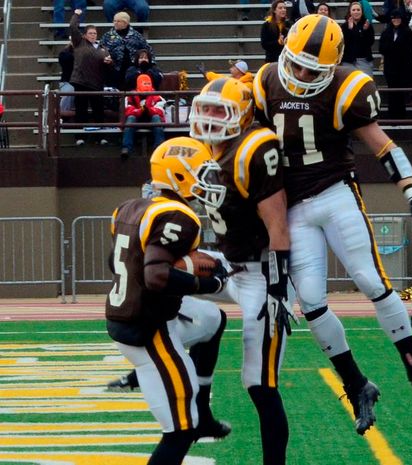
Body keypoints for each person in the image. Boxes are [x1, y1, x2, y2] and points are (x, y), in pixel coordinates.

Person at [253, 14, 412, 434]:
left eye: (313, 69)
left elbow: (382, 144)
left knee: (371, 280)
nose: (302, 75)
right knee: (312, 300)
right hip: (295, 208)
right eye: (298, 64)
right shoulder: (265, 80)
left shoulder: (347, 87)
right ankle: (357, 384)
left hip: (336, 193)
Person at [105, 137, 228, 464]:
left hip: (131, 313)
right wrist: (207, 282)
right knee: (179, 431)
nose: (208, 181)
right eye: (202, 173)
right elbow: (156, 277)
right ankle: (193, 418)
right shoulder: (179, 217)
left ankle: (203, 415)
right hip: (148, 329)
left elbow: (114, 263)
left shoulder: (128, 207)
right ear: (180, 176)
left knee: (214, 320)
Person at [188, 78, 292, 464]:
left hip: (262, 274)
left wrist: (279, 290)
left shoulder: (252, 148)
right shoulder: (206, 149)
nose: (210, 118)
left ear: (242, 113)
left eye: (220, 111)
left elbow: (278, 225)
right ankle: (200, 411)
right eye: (207, 109)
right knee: (161, 283)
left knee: (260, 385)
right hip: (229, 263)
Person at [69, 9, 113, 146]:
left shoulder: (103, 48)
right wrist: (76, 15)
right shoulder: (79, 43)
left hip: (97, 82)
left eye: (95, 33)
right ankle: (79, 137)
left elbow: (109, 68)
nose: (93, 35)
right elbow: (72, 27)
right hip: (81, 81)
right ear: (85, 35)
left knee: (98, 111)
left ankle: (100, 137)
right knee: (81, 110)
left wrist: (109, 63)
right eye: (90, 33)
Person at [379, 8, 412, 119]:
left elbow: (411, 49)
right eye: (394, 18)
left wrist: (395, 48)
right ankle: (392, 116)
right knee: (392, 91)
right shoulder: (386, 32)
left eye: (398, 18)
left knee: (401, 92)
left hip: (403, 67)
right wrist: (395, 48)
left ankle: (401, 116)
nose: (396, 20)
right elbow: (382, 48)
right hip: (390, 67)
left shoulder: (407, 31)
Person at [100, 11, 152, 90]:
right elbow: (100, 50)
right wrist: (105, 58)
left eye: (118, 21)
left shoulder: (136, 35)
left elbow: (147, 49)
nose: (115, 23)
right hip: (114, 69)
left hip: (132, 70)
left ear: (125, 22)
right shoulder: (107, 36)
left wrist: (151, 63)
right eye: (114, 21)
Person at [121, 73, 165, 158]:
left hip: (151, 118)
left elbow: (160, 110)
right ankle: (126, 147)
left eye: (148, 83)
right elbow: (128, 110)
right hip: (136, 118)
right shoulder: (130, 96)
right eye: (145, 83)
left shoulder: (157, 96)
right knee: (131, 118)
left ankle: (160, 148)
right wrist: (140, 110)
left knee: (156, 117)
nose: (147, 85)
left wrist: (148, 109)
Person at [341, 1, 376, 76]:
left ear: (362, 12)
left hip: (364, 60)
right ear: (350, 12)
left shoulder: (367, 25)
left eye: (358, 10)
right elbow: (344, 43)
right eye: (353, 10)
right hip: (348, 61)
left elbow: (370, 42)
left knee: (366, 85)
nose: (356, 12)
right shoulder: (344, 26)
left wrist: (365, 31)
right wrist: (350, 30)